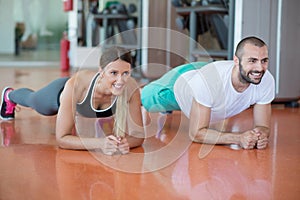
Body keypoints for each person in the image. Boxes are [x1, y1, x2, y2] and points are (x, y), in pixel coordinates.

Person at [0, 46, 144, 155]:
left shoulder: (130, 88)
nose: (120, 80)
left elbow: (138, 136)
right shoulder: (77, 85)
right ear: (101, 71)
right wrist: (100, 143)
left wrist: (125, 144)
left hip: (78, 102)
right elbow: (62, 139)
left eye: (125, 73)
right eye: (113, 73)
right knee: (33, 101)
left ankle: (69, 116)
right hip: (58, 93)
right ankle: (10, 95)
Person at [141, 36, 275, 150]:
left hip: (205, 73)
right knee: (142, 98)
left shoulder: (266, 80)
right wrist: (238, 138)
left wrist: (260, 135)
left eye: (264, 61)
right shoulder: (208, 82)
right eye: (252, 61)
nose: (259, 68)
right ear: (236, 60)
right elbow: (196, 133)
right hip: (178, 83)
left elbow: (262, 126)